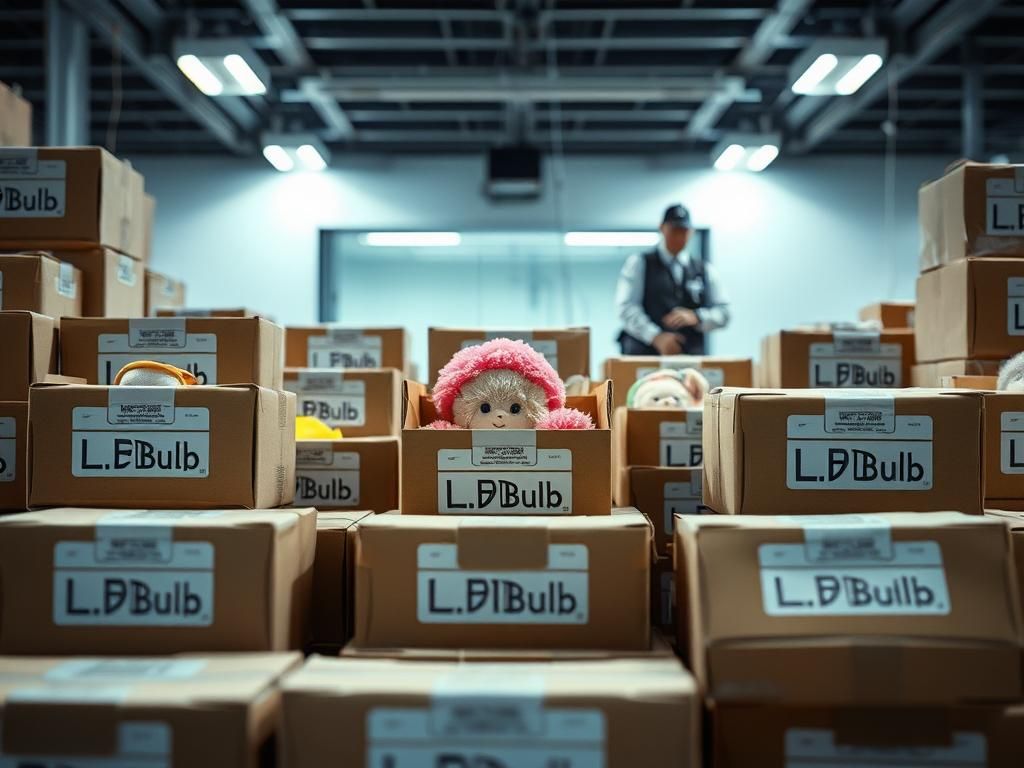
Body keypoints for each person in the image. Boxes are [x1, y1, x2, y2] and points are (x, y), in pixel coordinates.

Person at [615, 203, 729, 356]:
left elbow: (724, 313)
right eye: (674, 230)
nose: (679, 236)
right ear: (662, 228)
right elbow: (626, 308)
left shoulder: (705, 270)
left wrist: (697, 317)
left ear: (691, 232)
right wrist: (656, 337)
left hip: (690, 357)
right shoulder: (639, 264)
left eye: (684, 231)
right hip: (646, 356)